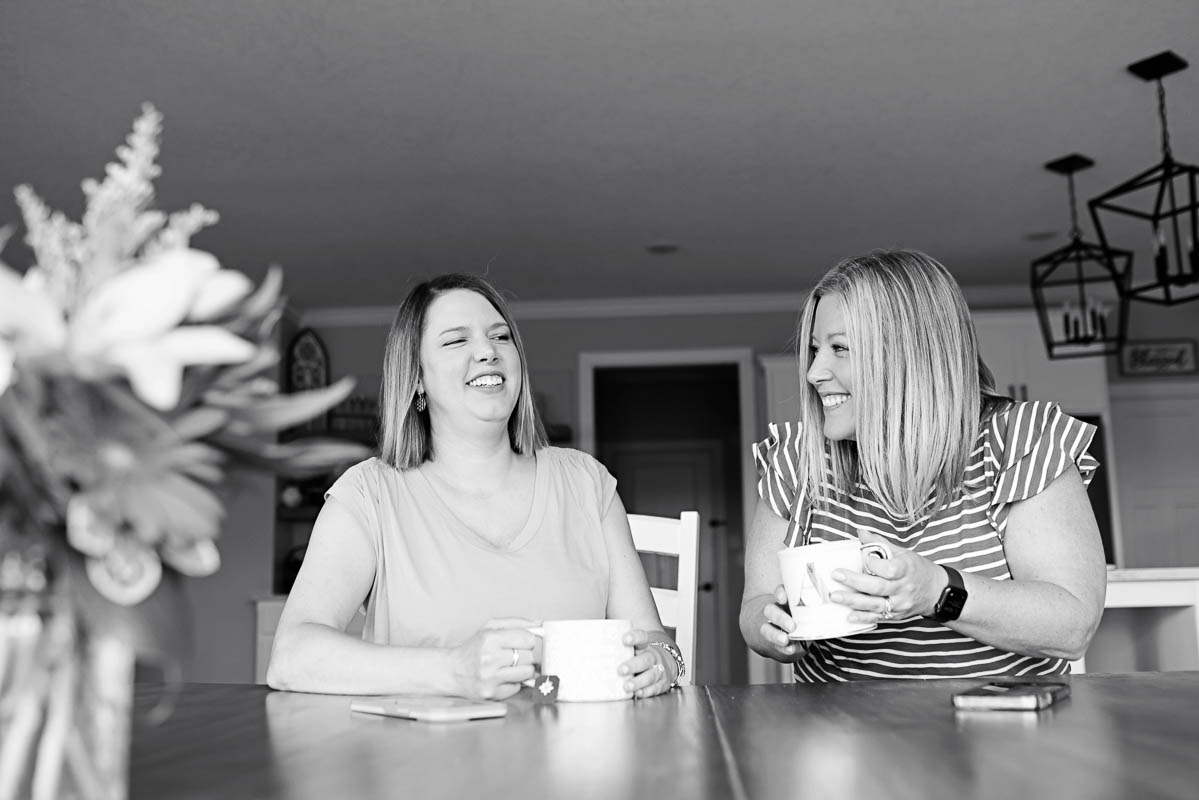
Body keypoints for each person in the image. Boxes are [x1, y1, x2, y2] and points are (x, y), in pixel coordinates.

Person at [267, 274, 683, 699]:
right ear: (416, 379)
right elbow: (292, 657)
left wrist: (662, 662)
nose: (488, 351)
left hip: (577, 758)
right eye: (455, 341)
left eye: (501, 337)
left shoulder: (588, 484)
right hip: (421, 761)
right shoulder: (368, 495)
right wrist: (453, 670)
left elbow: (652, 637)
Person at [740, 249, 1107, 681]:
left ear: (909, 355)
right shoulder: (795, 459)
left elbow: (1071, 626)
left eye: (840, 348)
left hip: (1000, 727)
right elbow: (755, 606)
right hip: (839, 732)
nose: (814, 372)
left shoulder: (1019, 443)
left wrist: (936, 590)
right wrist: (772, 629)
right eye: (816, 350)